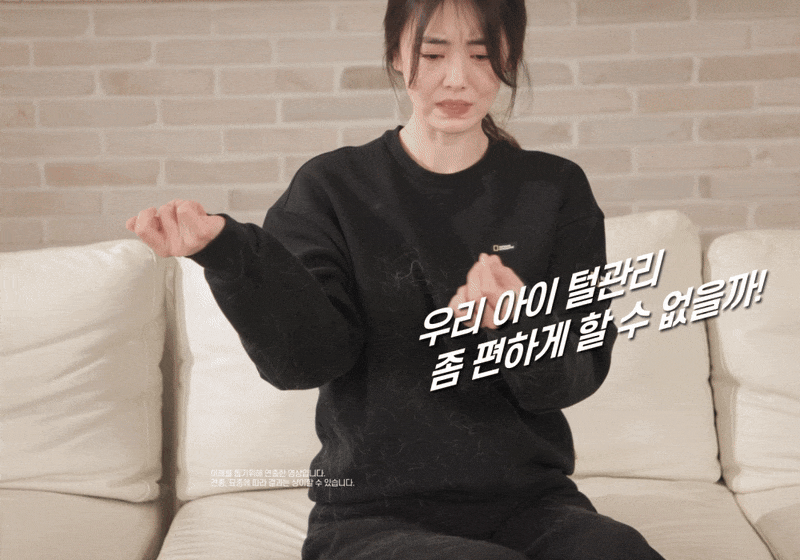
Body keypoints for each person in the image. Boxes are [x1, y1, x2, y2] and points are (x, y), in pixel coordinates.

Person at [127, 0, 666, 558]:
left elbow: (573, 379)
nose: (457, 78)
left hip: (531, 501)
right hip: (370, 514)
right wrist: (226, 251)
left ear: (509, 58)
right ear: (396, 56)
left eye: (482, 55)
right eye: (433, 54)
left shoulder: (554, 189)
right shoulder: (332, 187)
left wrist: (518, 326)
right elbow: (305, 361)